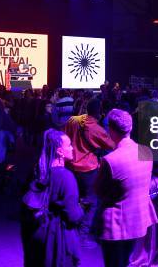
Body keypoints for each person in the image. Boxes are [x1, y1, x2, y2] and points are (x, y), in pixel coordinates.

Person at [95, 108, 158, 267]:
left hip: (116, 226)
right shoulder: (146, 151)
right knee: (125, 260)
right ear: (131, 128)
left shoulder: (110, 160)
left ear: (111, 130)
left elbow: (99, 191)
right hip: (138, 220)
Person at [21, 129, 83, 267]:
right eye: (69, 145)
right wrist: (81, 210)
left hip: (37, 235)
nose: (72, 148)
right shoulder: (66, 177)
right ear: (60, 151)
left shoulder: (38, 171)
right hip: (56, 239)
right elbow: (72, 216)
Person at [64, 98, 115, 247]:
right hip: (88, 170)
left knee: (73, 199)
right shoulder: (97, 129)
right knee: (91, 203)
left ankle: (69, 230)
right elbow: (112, 145)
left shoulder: (72, 120)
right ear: (99, 113)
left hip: (70, 168)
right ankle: (81, 237)